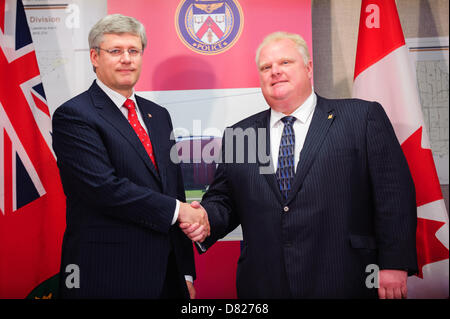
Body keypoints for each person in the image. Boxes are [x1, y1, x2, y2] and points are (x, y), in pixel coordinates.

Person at [181, 31, 418, 299]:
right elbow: (224, 199)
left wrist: (394, 262)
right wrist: (205, 220)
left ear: (308, 68)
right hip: (264, 283)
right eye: (266, 67)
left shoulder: (361, 117)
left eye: (285, 63)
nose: (275, 72)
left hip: (345, 277)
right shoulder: (240, 133)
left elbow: (393, 194)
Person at [52, 14, 209, 299]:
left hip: (167, 277)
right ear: (94, 57)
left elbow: (174, 190)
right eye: (115, 51)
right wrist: (178, 211)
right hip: (107, 277)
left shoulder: (159, 116)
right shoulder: (74, 115)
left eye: (133, 51)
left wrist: (185, 272)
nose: (126, 59)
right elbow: (103, 189)